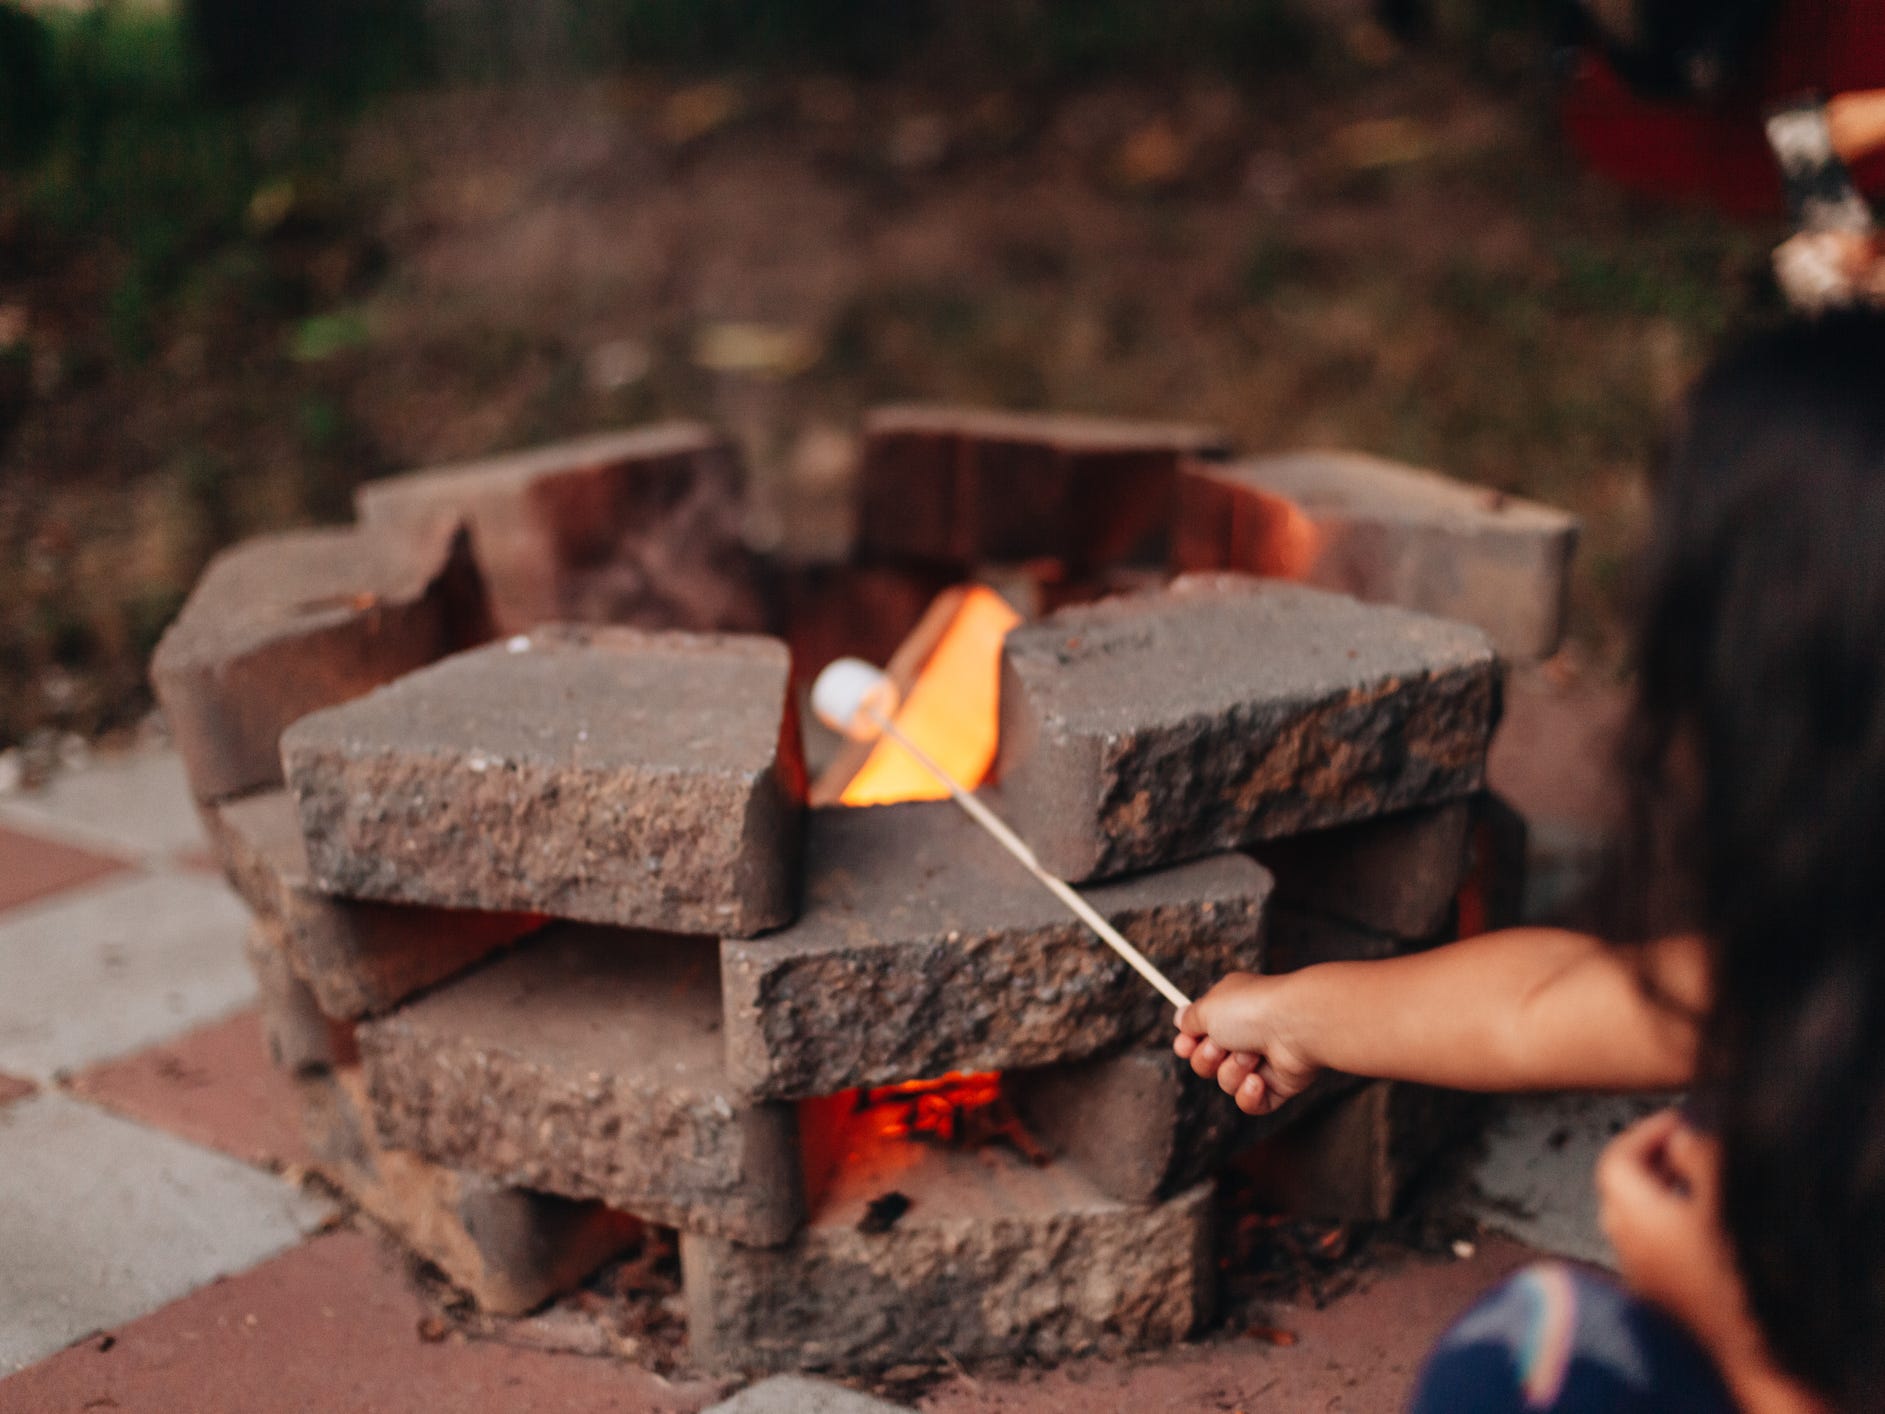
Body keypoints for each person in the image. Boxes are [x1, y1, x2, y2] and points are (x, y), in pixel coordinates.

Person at [1176, 310, 1885, 1413]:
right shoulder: (1836, 957)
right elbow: (1546, 1005)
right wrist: (1299, 1014)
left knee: (1530, 1367)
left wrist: (1733, 1333)